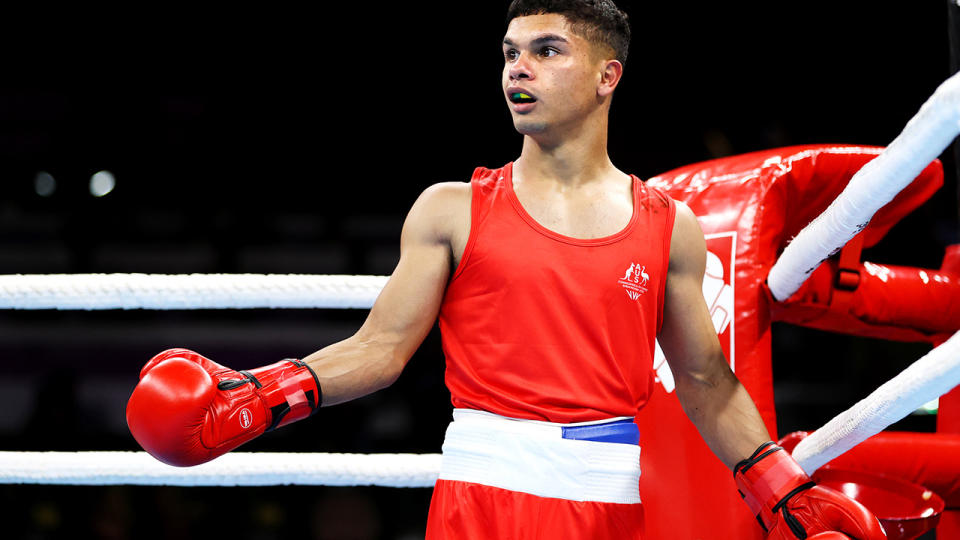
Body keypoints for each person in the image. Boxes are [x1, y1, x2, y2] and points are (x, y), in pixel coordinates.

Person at [126, 1, 889, 538]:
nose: (517, 69)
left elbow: (704, 382)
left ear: (606, 75)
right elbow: (380, 350)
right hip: (483, 493)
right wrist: (265, 396)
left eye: (546, 51)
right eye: (509, 53)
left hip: (605, 500)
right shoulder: (452, 208)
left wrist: (777, 483)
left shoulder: (669, 226)